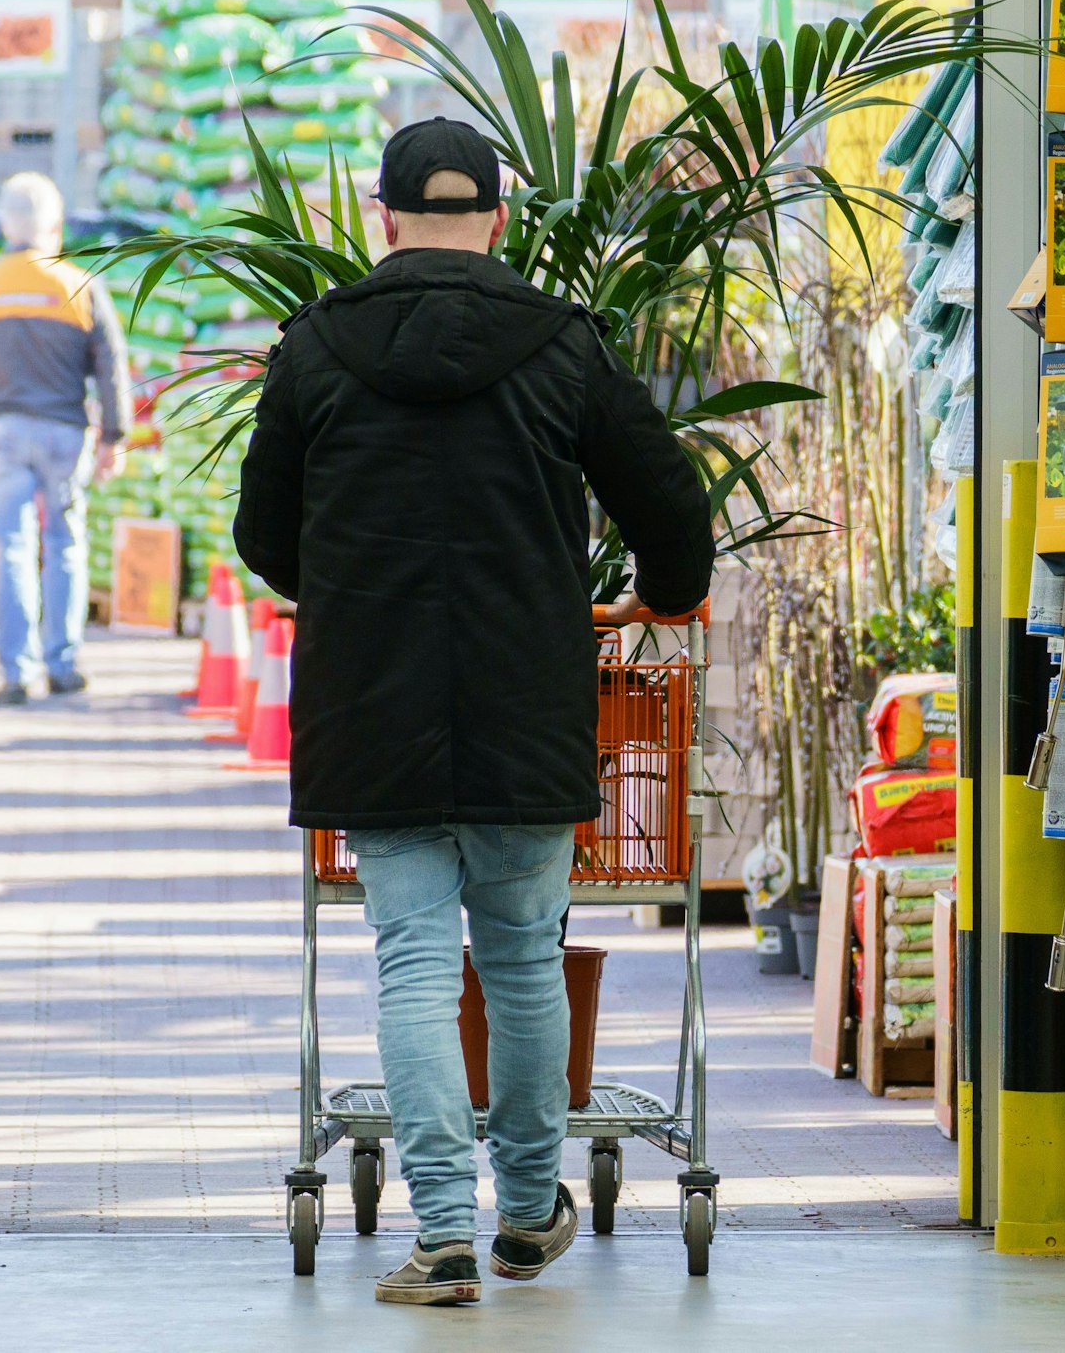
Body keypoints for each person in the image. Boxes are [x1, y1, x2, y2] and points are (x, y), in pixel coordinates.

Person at [233, 119, 714, 1306]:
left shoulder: (315, 349)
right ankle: (523, 1216)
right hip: (524, 702)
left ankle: (440, 1234)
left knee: (408, 963)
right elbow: (671, 510)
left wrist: (345, 591)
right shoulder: (562, 346)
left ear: (381, 215)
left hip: (372, 706)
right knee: (518, 963)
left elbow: (262, 537)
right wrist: (658, 593)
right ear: (498, 219)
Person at [0, 172, 130, 706]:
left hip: (4, 433)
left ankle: (17, 673)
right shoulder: (80, 285)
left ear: (5, 225)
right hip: (66, 433)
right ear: (56, 226)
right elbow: (112, 364)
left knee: (10, 546)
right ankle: (63, 664)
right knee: (65, 543)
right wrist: (115, 435)